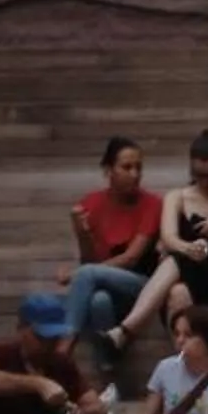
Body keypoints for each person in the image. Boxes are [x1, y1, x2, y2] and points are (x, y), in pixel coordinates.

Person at [107, 129, 208, 348]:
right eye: (199, 175)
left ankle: (127, 329)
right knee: (177, 289)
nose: (206, 182)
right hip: (193, 273)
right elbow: (169, 237)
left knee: (176, 262)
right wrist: (189, 248)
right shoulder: (177, 197)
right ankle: (183, 367)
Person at [59, 136, 162, 369]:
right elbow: (91, 261)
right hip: (106, 287)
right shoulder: (91, 203)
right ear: (108, 170)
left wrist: (77, 274)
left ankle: (64, 347)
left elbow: (131, 258)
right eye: (127, 167)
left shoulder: (152, 204)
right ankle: (109, 363)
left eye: (138, 167)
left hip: (142, 286)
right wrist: (82, 234)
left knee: (87, 276)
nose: (135, 174)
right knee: (98, 302)